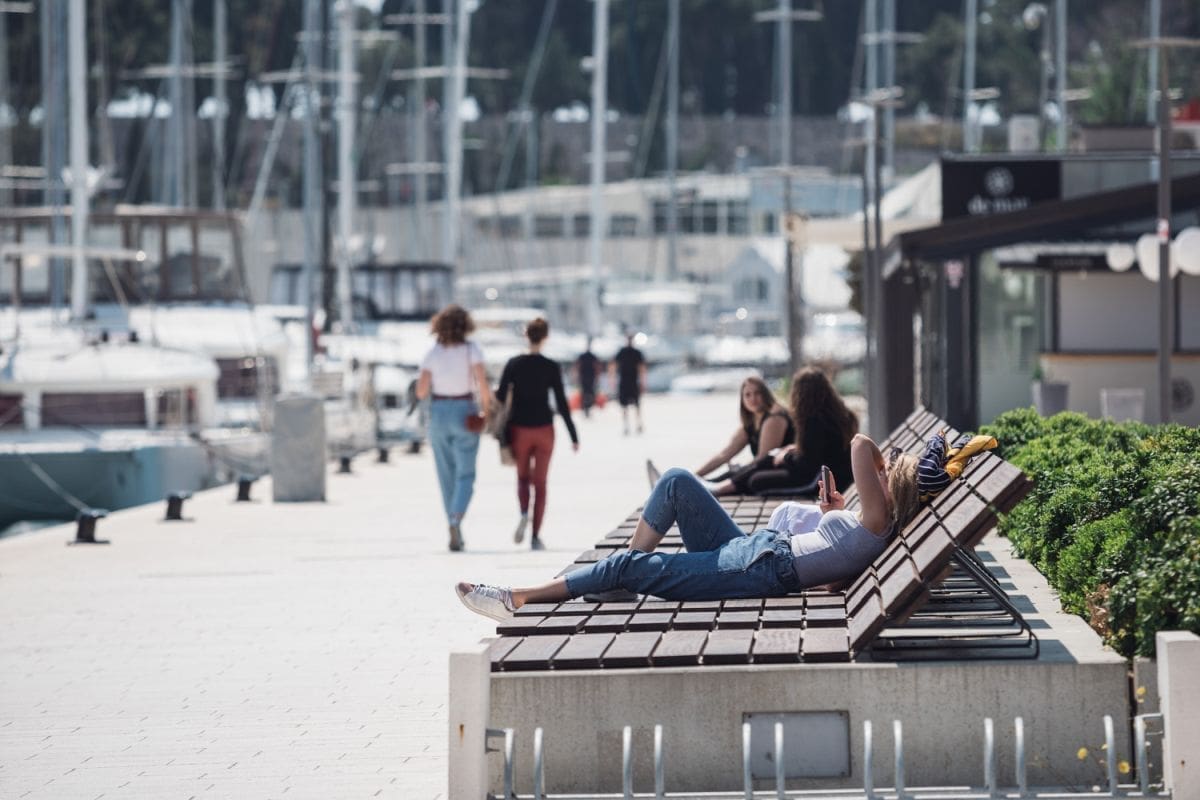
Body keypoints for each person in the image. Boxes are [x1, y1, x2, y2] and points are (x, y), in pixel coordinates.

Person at [455, 433, 921, 617]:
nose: (878, 474)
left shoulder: (878, 521)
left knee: (626, 565)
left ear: (892, 489)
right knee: (678, 481)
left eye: (886, 475)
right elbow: (832, 579)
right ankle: (621, 578)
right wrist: (831, 512)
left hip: (755, 570)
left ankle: (518, 597)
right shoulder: (871, 525)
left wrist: (885, 464)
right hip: (758, 552)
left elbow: (859, 444)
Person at [496, 318, 580, 550]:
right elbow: (561, 403)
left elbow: (501, 396)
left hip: (519, 429)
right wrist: (573, 435)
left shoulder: (513, 364)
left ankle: (524, 512)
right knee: (540, 484)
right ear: (545, 338)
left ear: (526, 336)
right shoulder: (551, 366)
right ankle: (535, 536)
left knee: (523, 478)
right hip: (544, 429)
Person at [416, 304, 493, 552]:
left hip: (438, 413)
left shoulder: (433, 353)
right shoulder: (472, 349)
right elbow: (482, 385)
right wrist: (486, 411)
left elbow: (421, 391)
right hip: (464, 411)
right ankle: (456, 518)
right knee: (466, 474)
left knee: (445, 474)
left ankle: (451, 521)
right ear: (466, 325)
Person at [727, 366, 858, 496]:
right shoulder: (841, 414)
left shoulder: (813, 420)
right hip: (833, 475)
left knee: (756, 481)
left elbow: (807, 463)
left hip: (820, 481)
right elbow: (820, 450)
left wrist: (786, 457)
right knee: (771, 457)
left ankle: (726, 486)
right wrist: (793, 449)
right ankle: (726, 485)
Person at [671, 376, 794, 496]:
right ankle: (686, 484)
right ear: (742, 399)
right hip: (762, 469)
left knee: (737, 475)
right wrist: (694, 475)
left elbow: (763, 458)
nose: (753, 398)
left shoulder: (775, 417)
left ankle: (692, 488)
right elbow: (724, 455)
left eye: (757, 393)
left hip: (782, 470)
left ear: (765, 395)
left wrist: (742, 469)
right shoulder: (751, 422)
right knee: (726, 475)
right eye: (747, 395)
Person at [609, 333, 646, 435]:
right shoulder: (622, 352)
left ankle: (638, 424)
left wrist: (643, 381)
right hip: (625, 382)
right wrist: (612, 379)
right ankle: (627, 425)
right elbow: (613, 365)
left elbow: (641, 368)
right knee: (625, 406)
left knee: (636, 405)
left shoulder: (636, 353)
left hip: (633, 381)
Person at [573, 339, 603, 419]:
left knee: (588, 393)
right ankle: (586, 408)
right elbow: (578, 366)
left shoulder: (591, 356)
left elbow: (597, 367)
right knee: (586, 393)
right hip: (586, 378)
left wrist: (597, 376)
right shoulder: (585, 356)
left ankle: (587, 408)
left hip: (589, 378)